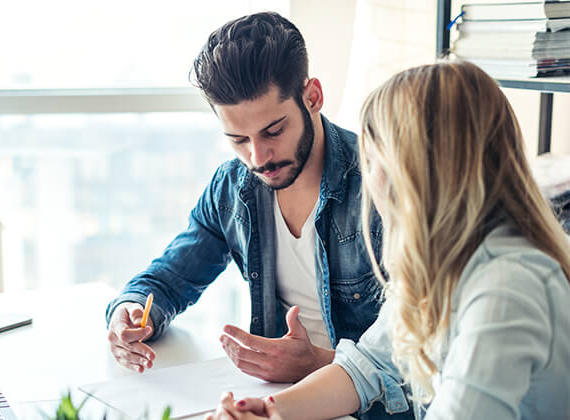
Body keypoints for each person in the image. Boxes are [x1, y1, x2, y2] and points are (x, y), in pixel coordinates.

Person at [208, 60, 570, 420]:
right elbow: (366, 365)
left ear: (412, 170)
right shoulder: (449, 259)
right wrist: (270, 412)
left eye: (371, 156)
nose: (366, 174)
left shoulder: (507, 287)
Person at [105, 13, 406, 419]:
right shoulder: (233, 188)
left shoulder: (384, 187)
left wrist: (317, 362)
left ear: (313, 97)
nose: (258, 158)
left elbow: (421, 361)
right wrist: (131, 312)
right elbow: (167, 280)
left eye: (273, 131)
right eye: (238, 139)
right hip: (269, 405)